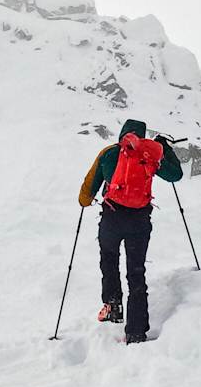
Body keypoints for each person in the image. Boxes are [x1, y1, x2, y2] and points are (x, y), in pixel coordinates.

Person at [76, 119, 182, 344]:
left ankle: (113, 306)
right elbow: (176, 175)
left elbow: (87, 192)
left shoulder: (109, 153)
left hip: (112, 219)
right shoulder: (150, 155)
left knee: (109, 259)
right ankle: (135, 331)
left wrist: (84, 200)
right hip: (139, 221)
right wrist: (166, 150)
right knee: (136, 272)